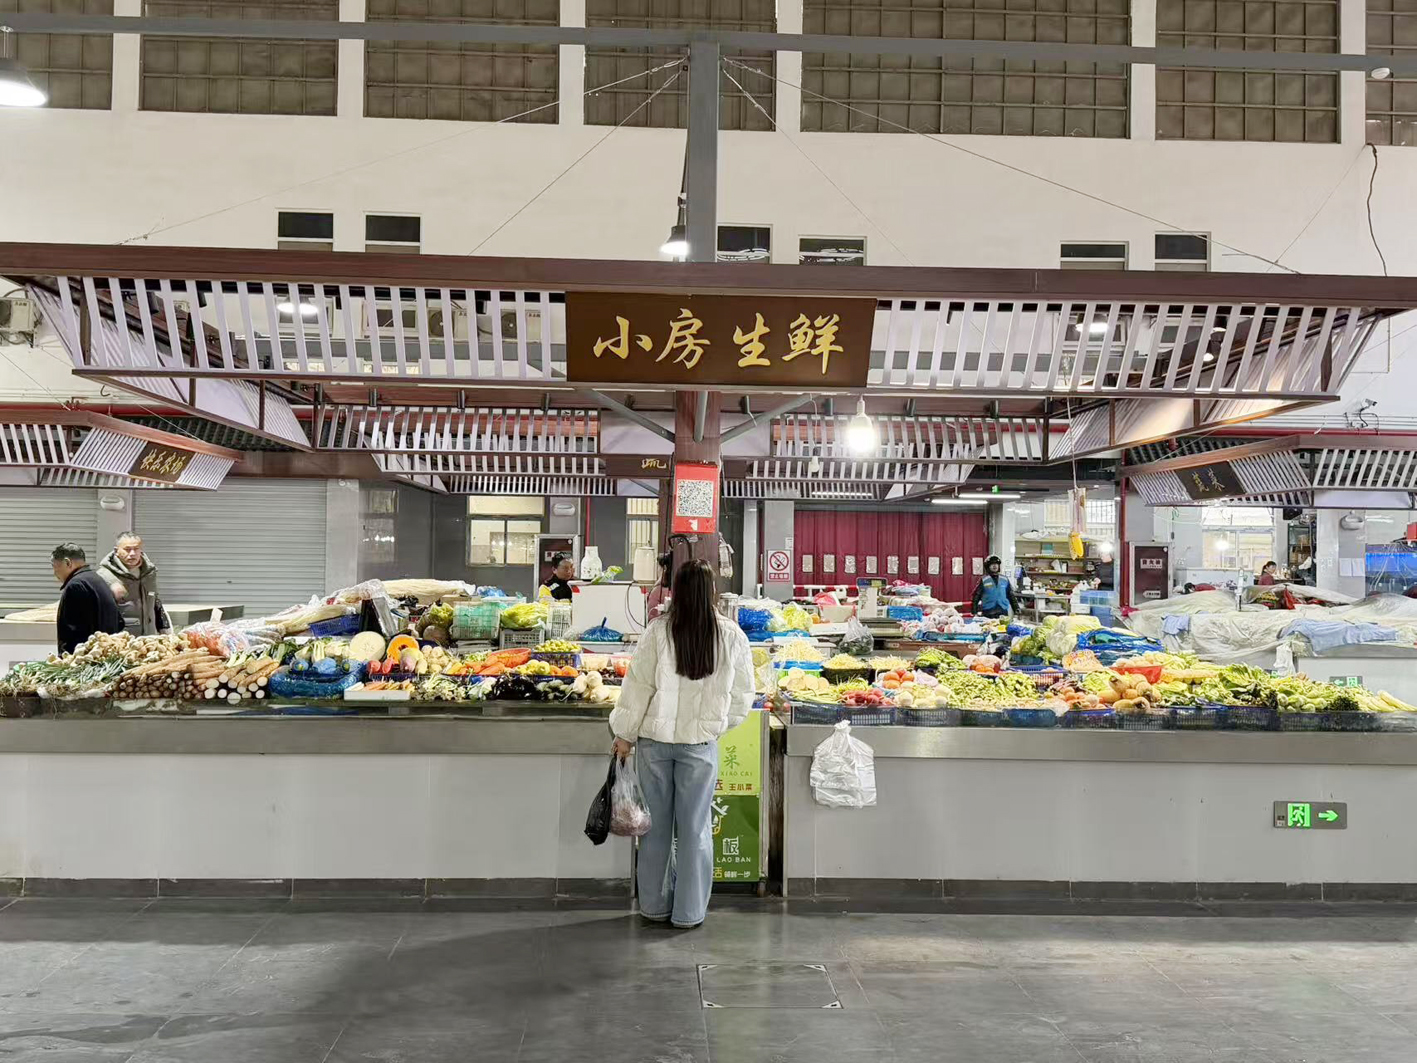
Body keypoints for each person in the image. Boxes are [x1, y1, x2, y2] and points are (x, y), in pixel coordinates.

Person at [609, 560, 753, 930]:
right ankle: (688, 913)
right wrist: (714, 727)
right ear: (712, 591)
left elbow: (637, 688)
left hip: (654, 745)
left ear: (676, 590)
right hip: (699, 746)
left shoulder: (658, 631)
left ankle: (654, 907)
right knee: (695, 830)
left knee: (654, 828)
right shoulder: (731, 635)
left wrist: (624, 734)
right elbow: (742, 698)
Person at [51, 543, 125, 655]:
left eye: (54, 566)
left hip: (84, 659)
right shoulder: (97, 579)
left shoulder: (75, 585)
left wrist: (66, 659)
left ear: (67, 563)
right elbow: (119, 622)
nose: (55, 573)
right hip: (105, 656)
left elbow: (72, 633)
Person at [99, 532, 171, 637]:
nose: (132, 553)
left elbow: (155, 601)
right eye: (127, 549)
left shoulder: (149, 573)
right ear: (116, 551)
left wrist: (165, 628)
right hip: (121, 640)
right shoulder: (104, 576)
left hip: (149, 639)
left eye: (136, 549)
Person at [644, 552, 672, 618]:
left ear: (664, 568)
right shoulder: (676, 587)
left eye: (658, 567)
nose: (657, 570)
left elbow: (651, 615)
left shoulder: (657, 591)